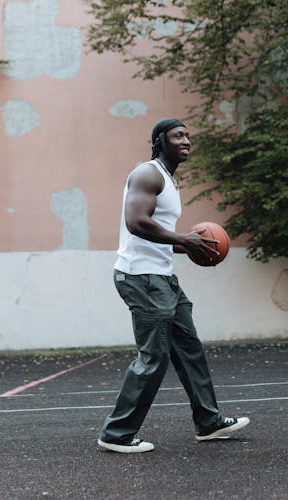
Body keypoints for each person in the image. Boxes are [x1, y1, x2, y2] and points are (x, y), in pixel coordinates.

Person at [97, 118, 250, 453]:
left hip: (162, 276)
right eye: (178, 136)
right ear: (159, 141)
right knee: (154, 357)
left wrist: (192, 246)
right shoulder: (147, 174)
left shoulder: (168, 179)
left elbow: (158, 235)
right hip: (141, 277)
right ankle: (117, 434)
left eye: (188, 136)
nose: (186, 141)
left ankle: (208, 421)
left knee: (189, 347)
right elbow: (136, 222)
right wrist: (184, 238)